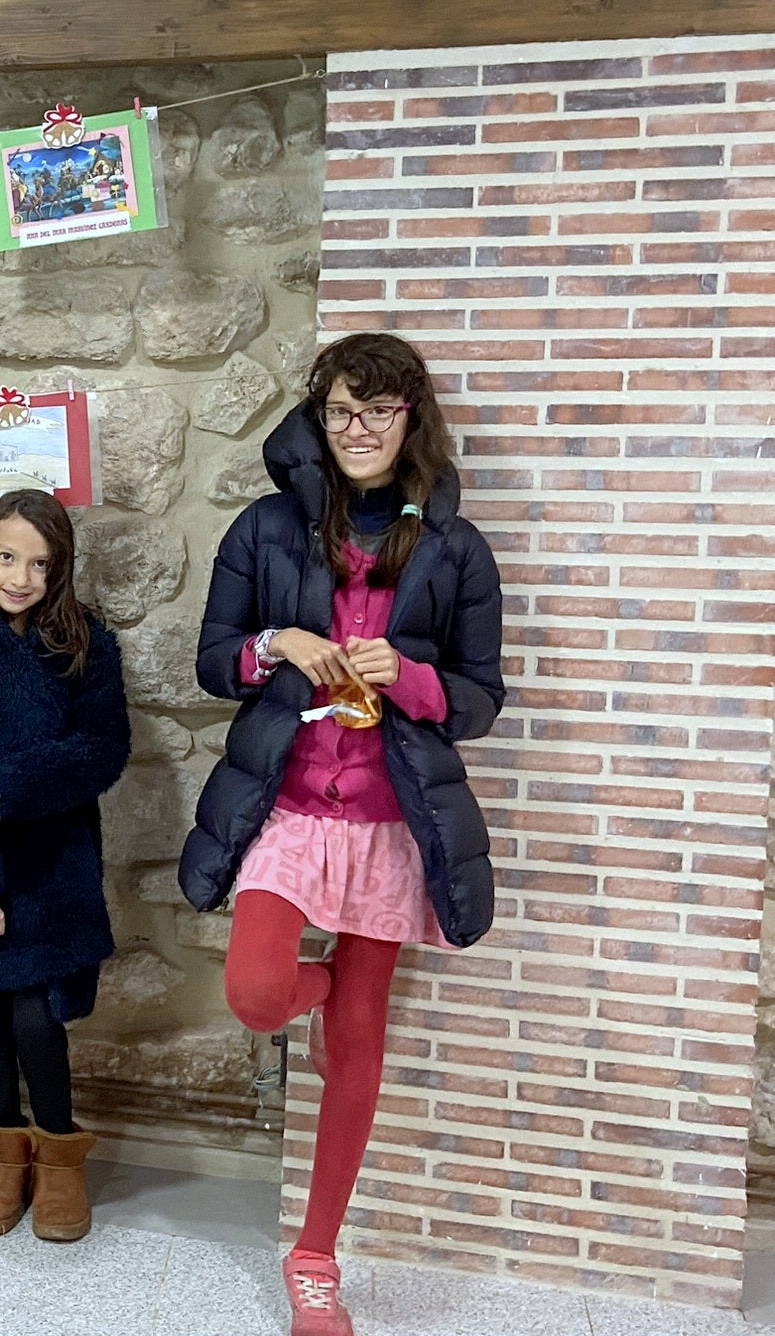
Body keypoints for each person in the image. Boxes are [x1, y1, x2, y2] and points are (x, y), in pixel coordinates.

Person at [181, 333, 504, 1336]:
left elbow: (478, 699)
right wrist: (274, 643)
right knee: (255, 992)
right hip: (282, 806)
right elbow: (208, 660)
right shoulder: (266, 529)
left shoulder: (453, 549)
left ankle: (314, 1258)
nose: (357, 431)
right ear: (313, 421)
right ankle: (314, 1003)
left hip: (388, 824)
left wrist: (403, 678)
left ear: (410, 419)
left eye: (378, 411)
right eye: (339, 412)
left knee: (359, 1043)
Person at [0, 490, 130, 1244]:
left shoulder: (86, 644)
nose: (21, 576)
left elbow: (104, 750)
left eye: (40, 564)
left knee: (40, 1014)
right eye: (7, 557)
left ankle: (61, 1158)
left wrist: (12, 784)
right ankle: (3, 1152)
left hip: (55, 860)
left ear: (59, 568)